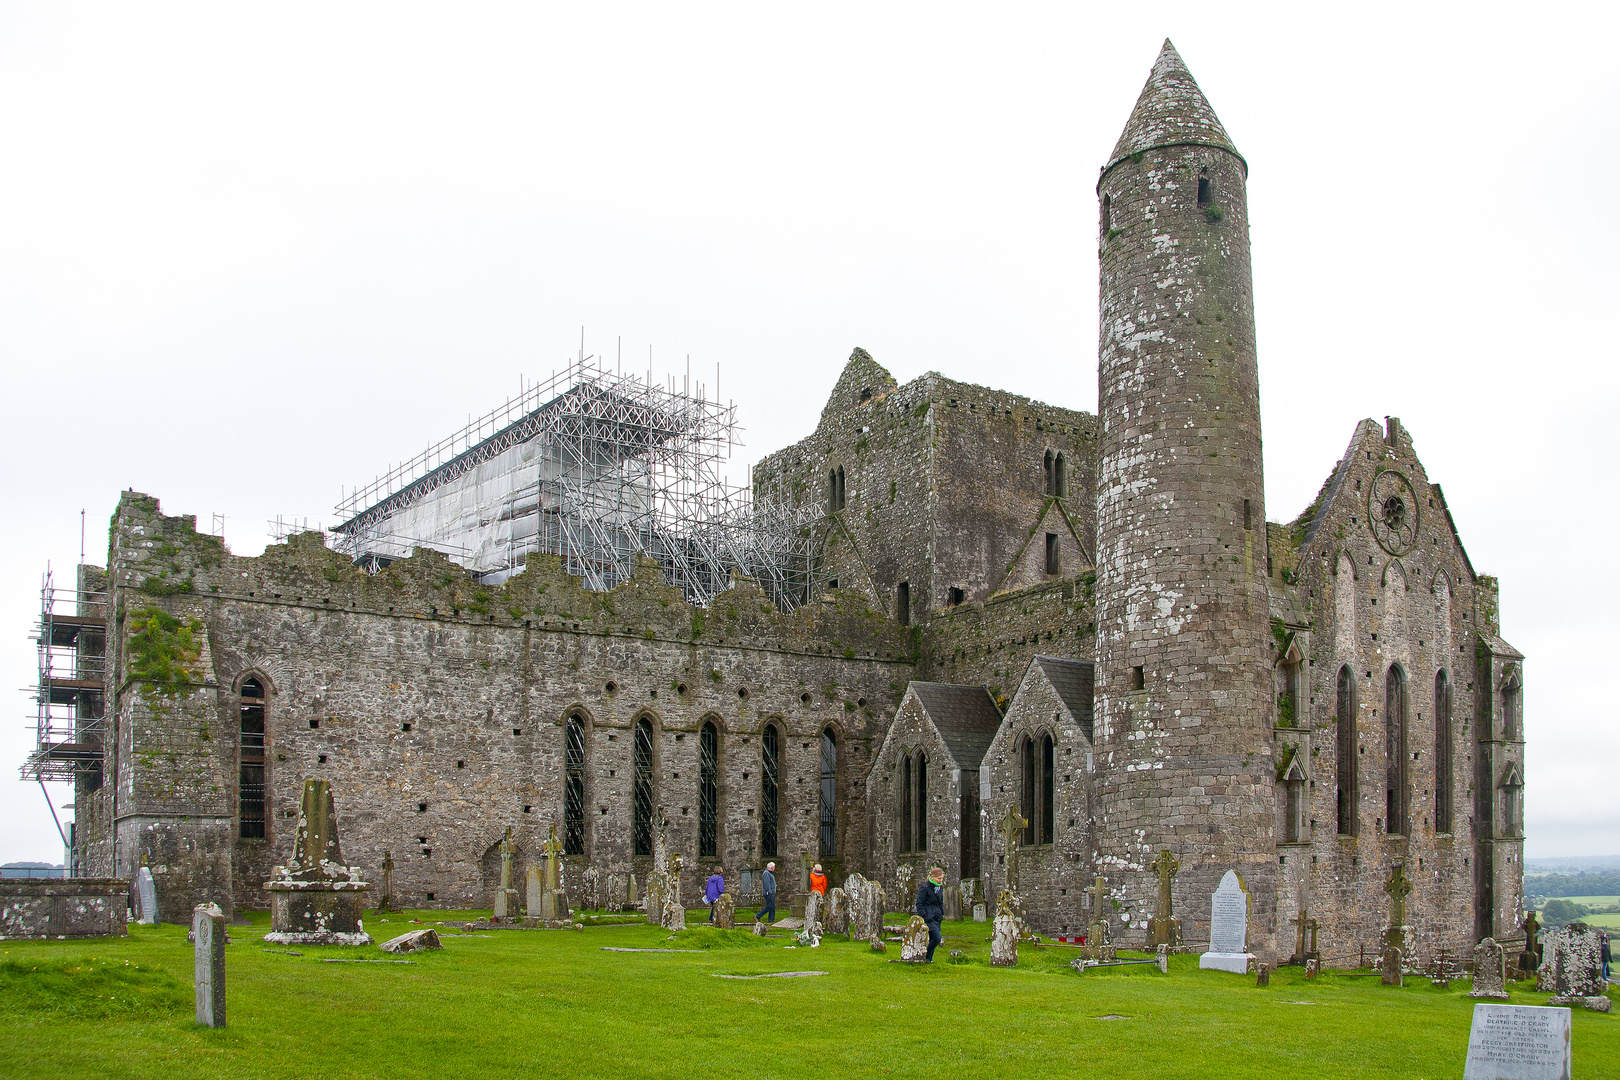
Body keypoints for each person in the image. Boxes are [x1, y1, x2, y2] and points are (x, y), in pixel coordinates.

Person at [916, 866, 945, 962]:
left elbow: (940, 902)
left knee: (933, 938)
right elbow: (919, 903)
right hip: (928, 917)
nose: (940, 880)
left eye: (941, 878)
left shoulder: (940, 888)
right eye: (938, 878)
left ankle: (929, 959)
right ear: (932, 877)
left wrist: (941, 913)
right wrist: (924, 916)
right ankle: (926, 955)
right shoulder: (925, 887)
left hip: (937, 917)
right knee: (937, 938)